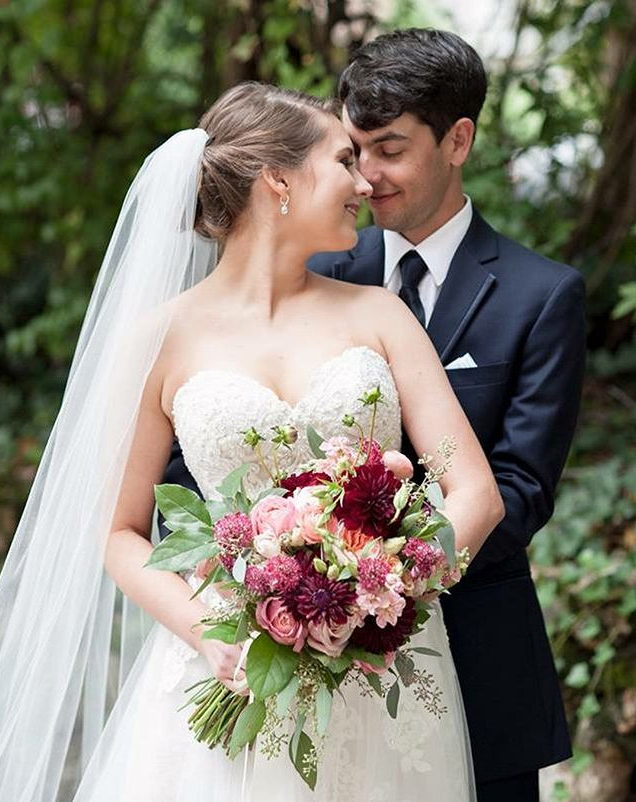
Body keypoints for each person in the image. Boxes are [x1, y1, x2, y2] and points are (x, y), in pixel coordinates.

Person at [0, 82, 504, 801]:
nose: (364, 183)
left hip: (380, 672)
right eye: (342, 161)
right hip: (229, 662)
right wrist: (211, 631)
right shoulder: (158, 339)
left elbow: (478, 494)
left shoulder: (382, 315)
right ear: (278, 180)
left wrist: (376, 592)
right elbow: (119, 533)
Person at [307, 28, 584, 802]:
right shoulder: (317, 273)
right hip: (312, 662)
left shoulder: (542, 296)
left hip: (477, 664)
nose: (366, 176)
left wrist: (374, 578)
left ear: (458, 139)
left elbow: (521, 489)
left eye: (389, 148)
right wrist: (300, 581)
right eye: (352, 150)